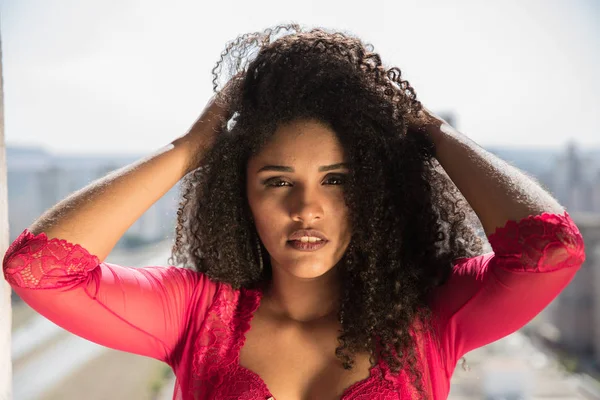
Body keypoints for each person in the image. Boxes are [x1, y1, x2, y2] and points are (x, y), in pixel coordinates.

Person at [3, 24, 585, 400]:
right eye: (277, 180)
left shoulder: (430, 313)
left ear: (379, 194)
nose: (307, 208)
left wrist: (430, 131)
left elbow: (550, 252)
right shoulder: (195, 313)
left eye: (338, 180)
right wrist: (189, 149)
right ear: (240, 195)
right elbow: (39, 270)